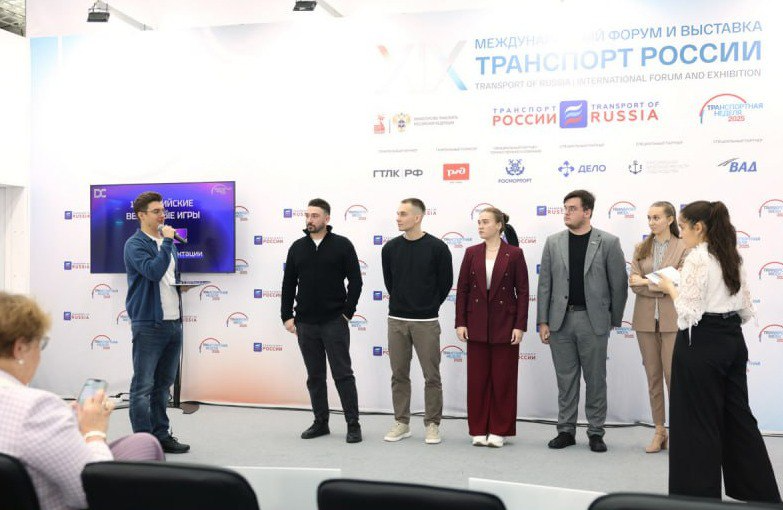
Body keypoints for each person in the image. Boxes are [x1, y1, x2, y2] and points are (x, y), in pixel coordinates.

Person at [657, 201, 781, 503]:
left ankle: (696, 500)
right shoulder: (731, 254)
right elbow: (745, 308)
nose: (681, 233)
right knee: (738, 418)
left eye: (683, 227)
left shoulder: (698, 257)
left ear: (699, 227)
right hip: (732, 341)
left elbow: (687, 311)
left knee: (695, 423)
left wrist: (669, 286)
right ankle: (761, 495)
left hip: (701, 343)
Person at [0, 292, 164, 510]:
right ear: (20, 348)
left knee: (143, 442)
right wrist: (93, 431)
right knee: (147, 449)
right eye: (41, 344)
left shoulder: (39, 411)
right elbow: (92, 492)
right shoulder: (35, 408)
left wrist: (63, 422)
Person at [537, 189, 628, 452]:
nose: (566, 213)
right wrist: (543, 321)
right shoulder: (553, 242)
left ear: (587, 212)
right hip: (560, 321)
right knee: (565, 380)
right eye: (565, 208)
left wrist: (613, 319)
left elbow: (619, 284)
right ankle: (565, 430)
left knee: (595, 379)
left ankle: (596, 432)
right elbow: (545, 285)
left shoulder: (608, 242)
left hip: (593, 321)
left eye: (572, 208)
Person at [281, 198, 363, 443]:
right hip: (305, 323)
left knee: (343, 374)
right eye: (307, 215)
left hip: (334, 321)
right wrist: (287, 316)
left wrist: (347, 312)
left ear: (327, 218)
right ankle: (320, 423)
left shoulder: (342, 245)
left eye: (315, 215)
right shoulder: (297, 247)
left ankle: (353, 424)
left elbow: (356, 281)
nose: (310, 220)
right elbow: (288, 283)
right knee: (315, 377)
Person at [455, 207, 529, 448]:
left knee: (503, 379)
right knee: (477, 380)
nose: (480, 226)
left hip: (505, 323)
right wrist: (461, 322)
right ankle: (478, 429)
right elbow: (462, 290)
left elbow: (523, 291)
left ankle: (499, 429)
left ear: (499, 225)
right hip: (476, 322)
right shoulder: (471, 253)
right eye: (479, 222)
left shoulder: (514, 254)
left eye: (486, 222)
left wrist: (519, 325)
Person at [381, 198, 453, 444]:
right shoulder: (390, 249)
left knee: (431, 376)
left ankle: (432, 424)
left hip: (426, 321)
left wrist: (428, 306)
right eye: (397, 213)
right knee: (399, 374)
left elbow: (445, 283)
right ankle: (402, 422)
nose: (398, 218)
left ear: (418, 217)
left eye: (403, 214)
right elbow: (390, 282)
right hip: (396, 320)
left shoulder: (438, 248)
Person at [124, 191, 190, 454]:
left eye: (163, 210)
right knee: (143, 387)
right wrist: (167, 242)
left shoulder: (168, 244)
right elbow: (152, 272)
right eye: (156, 211)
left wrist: (180, 287)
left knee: (163, 387)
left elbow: (167, 277)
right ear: (141, 215)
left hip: (173, 323)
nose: (162, 215)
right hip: (149, 323)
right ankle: (142, 442)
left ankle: (161, 436)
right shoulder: (135, 244)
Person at [628, 201, 688, 453]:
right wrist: (659, 284)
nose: (651, 222)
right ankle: (659, 431)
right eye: (649, 218)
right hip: (644, 321)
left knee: (674, 378)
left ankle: (680, 432)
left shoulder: (684, 247)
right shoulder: (641, 247)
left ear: (670, 219)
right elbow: (633, 283)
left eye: (656, 217)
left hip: (672, 321)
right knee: (653, 378)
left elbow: (679, 282)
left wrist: (646, 282)